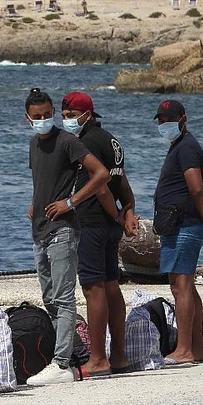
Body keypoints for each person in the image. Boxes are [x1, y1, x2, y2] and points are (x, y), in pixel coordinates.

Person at [23, 88, 112, 386]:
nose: (44, 120)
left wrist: (70, 202)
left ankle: (61, 363)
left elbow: (101, 174)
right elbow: (44, 180)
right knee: (49, 297)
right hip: (40, 229)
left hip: (63, 229)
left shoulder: (67, 141)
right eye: (38, 116)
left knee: (62, 297)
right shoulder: (34, 144)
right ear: (28, 118)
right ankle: (74, 351)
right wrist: (36, 204)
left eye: (48, 114)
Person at [61, 92, 138, 377]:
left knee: (92, 288)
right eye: (65, 115)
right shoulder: (111, 139)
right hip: (109, 225)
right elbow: (123, 179)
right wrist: (127, 209)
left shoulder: (87, 141)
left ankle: (97, 358)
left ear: (87, 114)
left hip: (93, 220)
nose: (67, 120)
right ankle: (118, 356)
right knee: (110, 286)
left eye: (71, 115)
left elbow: (103, 185)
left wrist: (115, 213)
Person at [153, 100, 203, 365]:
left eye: (169, 119)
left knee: (180, 286)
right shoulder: (179, 147)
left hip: (185, 225)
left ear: (183, 119)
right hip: (176, 224)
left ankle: (184, 350)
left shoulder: (188, 148)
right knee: (187, 287)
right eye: (160, 120)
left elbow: (195, 187)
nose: (164, 124)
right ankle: (197, 348)